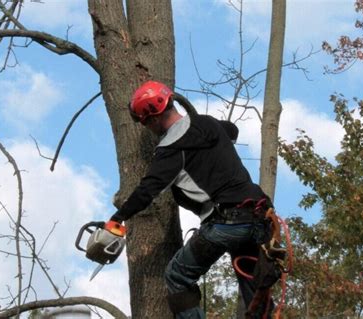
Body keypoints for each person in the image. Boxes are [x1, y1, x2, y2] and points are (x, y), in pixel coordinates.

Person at [110, 80, 275, 319]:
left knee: (177, 277)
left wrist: (117, 219)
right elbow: (232, 131)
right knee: (252, 284)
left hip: (226, 222)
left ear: (152, 119)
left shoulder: (170, 150)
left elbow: (147, 190)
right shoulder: (209, 123)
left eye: (145, 123)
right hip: (260, 218)